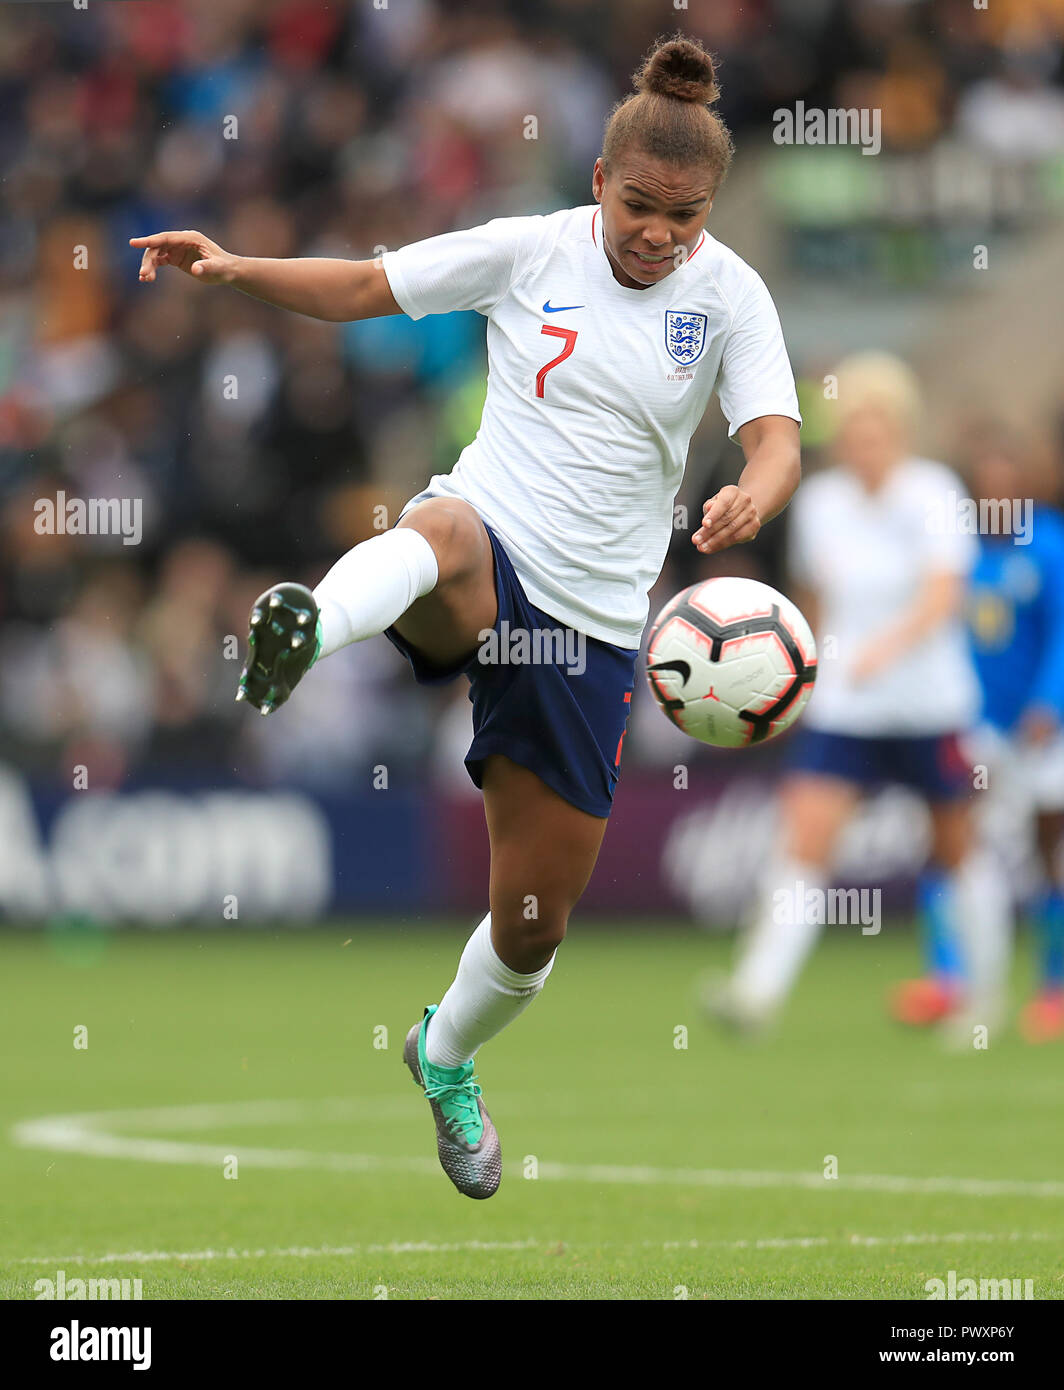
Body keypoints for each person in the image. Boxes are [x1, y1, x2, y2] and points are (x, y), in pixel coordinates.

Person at [130, 36, 802, 1199]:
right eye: (638, 205)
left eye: (682, 217)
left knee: (531, 921)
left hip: (591, 626)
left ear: (710, 208)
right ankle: (307, 622)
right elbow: (368, 284)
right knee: (440, 531)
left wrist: (756, 487)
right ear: (597, 180)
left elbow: (776, 435)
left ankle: (442, 1055)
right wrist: (234, 268)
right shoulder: (525, 249)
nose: (656, 232)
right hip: (490, 539)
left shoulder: (730, 296)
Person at [711, 352, 1009, 1037]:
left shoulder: (933, 492)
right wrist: (788, 680)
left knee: (958, 851)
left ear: (898, 429)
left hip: (932, 707)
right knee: (804, 842)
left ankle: (982, 1002)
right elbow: (813, 607)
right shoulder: (820, 502)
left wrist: (887, 647)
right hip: (847, 708)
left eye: (873, 429)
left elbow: (944, 596)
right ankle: (754, 996)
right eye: (851, 430)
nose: (859, 443)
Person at [912, 435, 1064, 1042]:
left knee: (1046, 852)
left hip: (1040, 729)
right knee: (949, 840)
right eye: (985, 483)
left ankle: (1053, 987)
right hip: (972, 726)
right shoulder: (958, 552)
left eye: (1006, 481)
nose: (995, 493)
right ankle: (948, 977)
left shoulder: (1048, 544)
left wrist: (1050, 704)